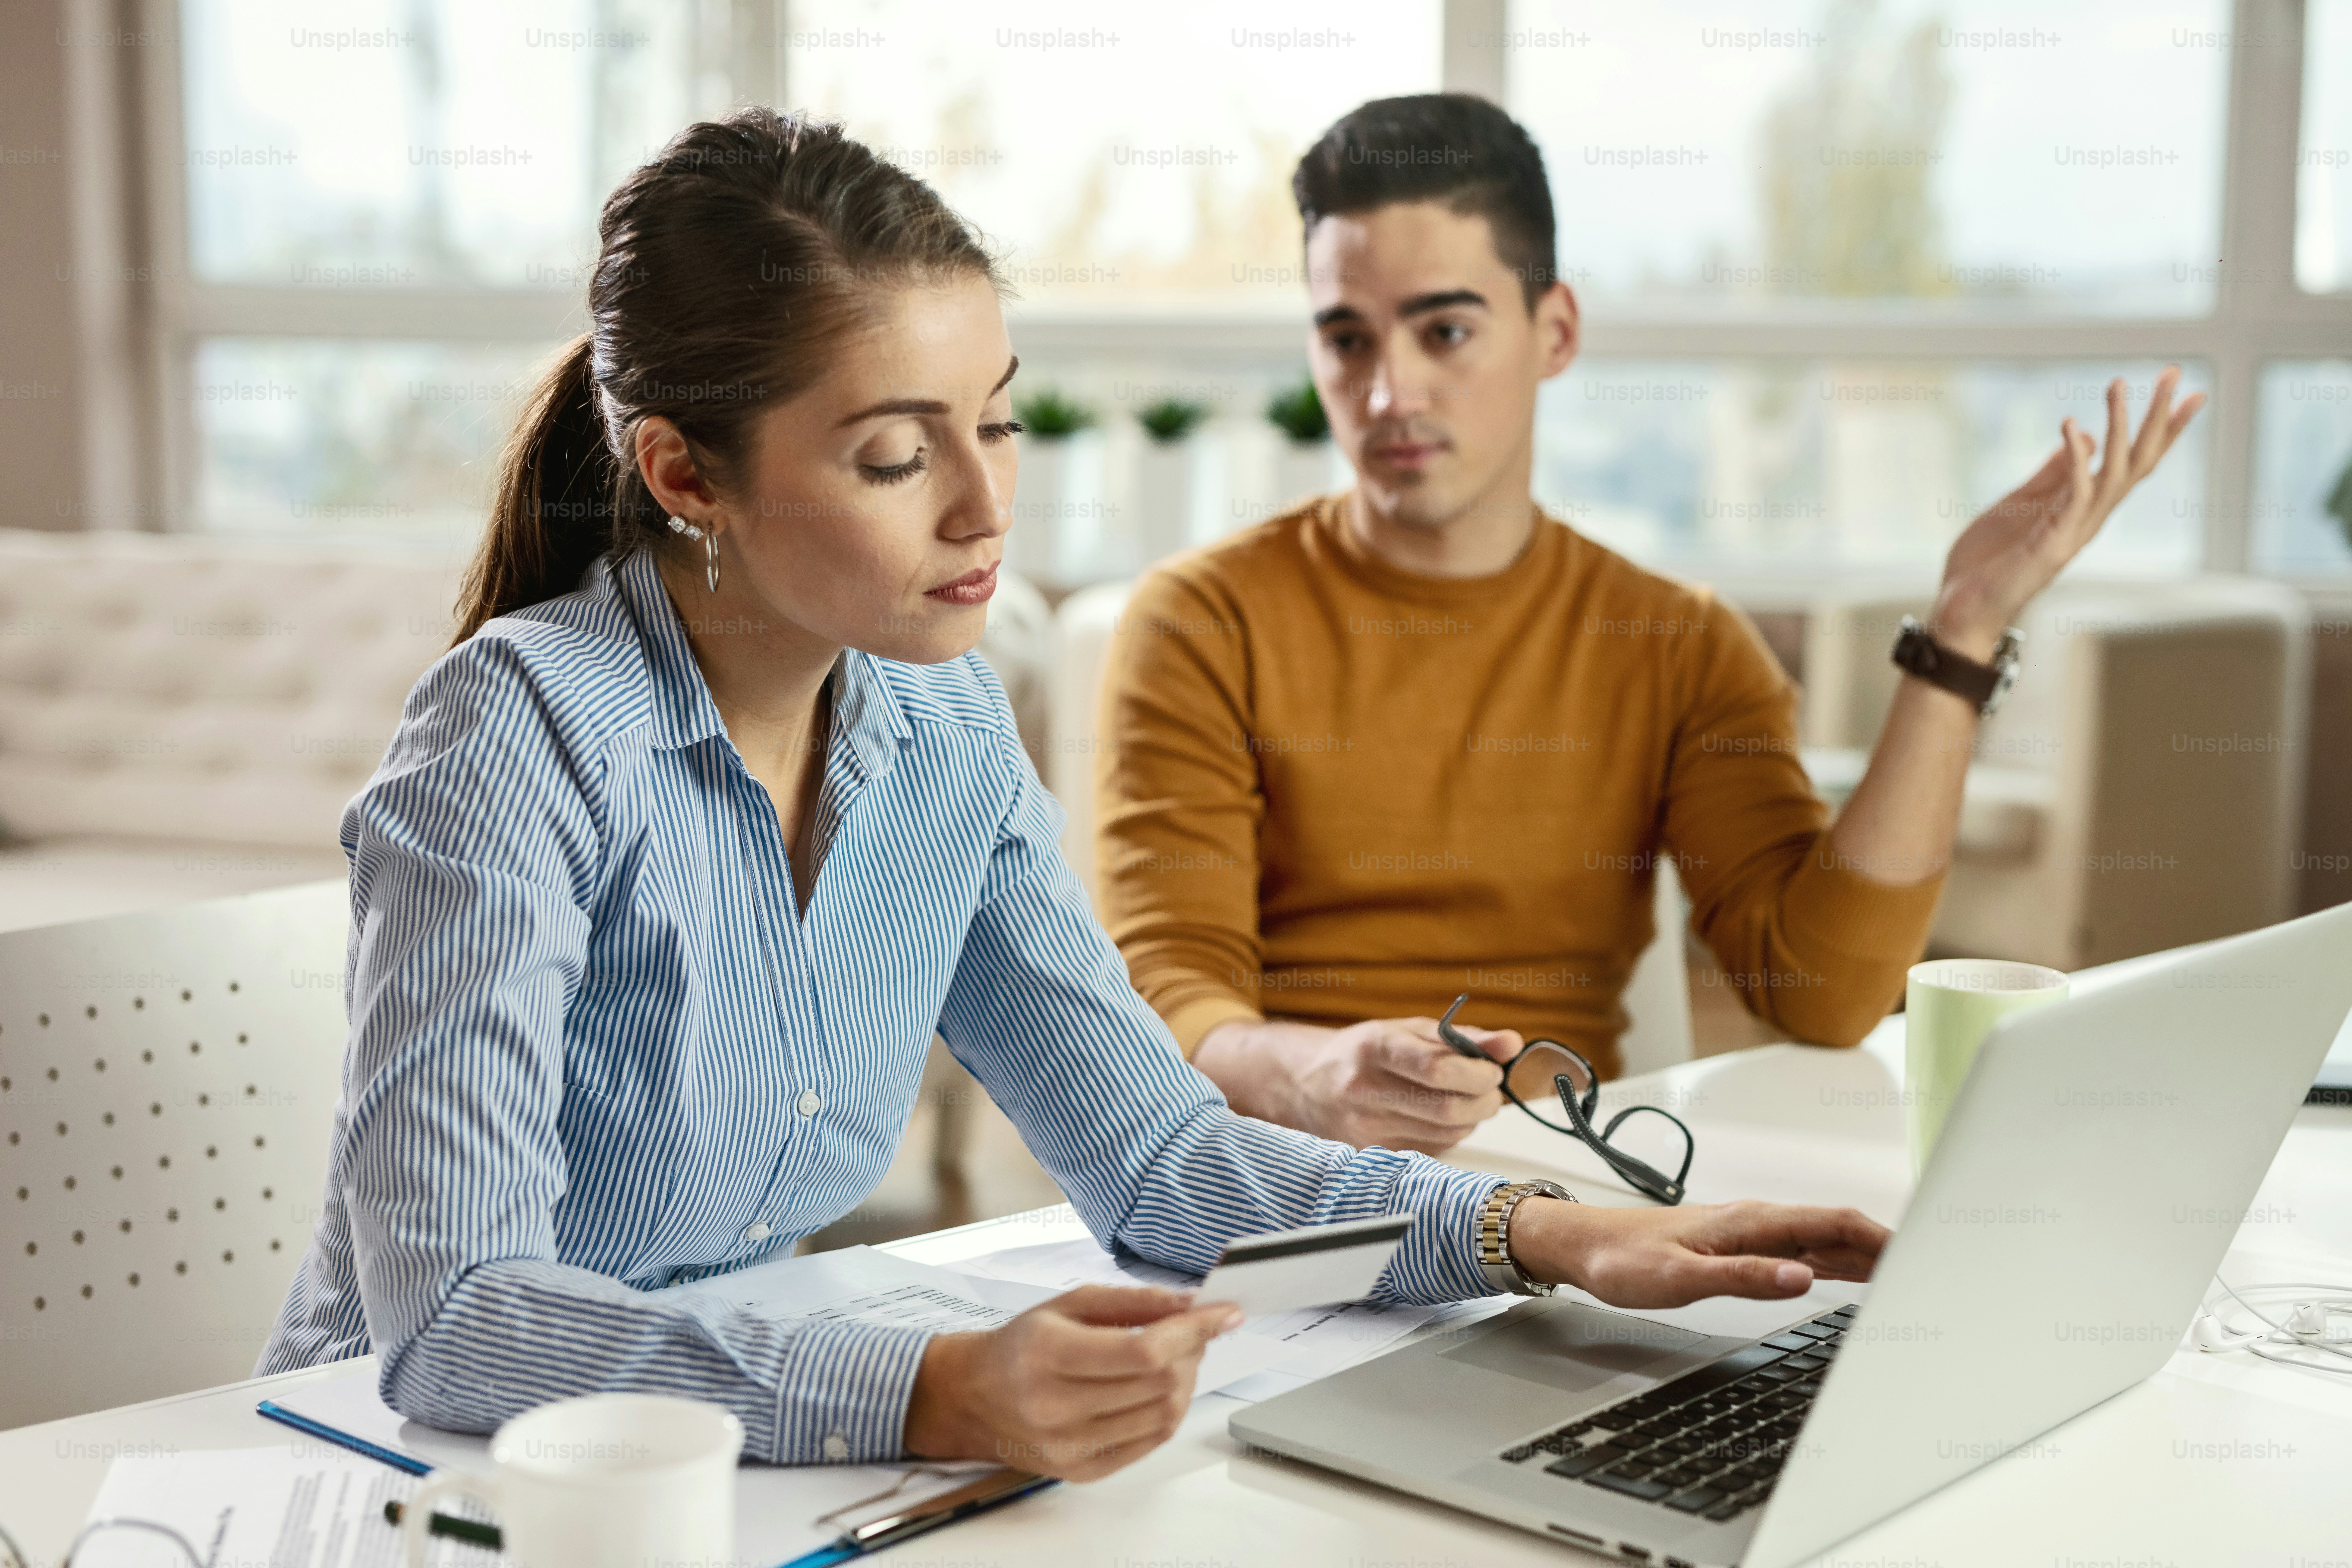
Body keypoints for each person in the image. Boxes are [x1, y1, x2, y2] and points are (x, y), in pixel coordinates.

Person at [255, 108, 1889, 1483]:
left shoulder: (942, 724)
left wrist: (1547, 1232)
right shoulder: (514, 740)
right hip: (419, 1472)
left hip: (726, 1475)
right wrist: (930, 1391)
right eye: (897, 458)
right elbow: (456, 1316)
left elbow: (1164, 1166)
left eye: (1001, 421)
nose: (985, 506)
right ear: (688, 475)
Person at [1095, 94, 2202, 1156]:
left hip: (1564, 1199)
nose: (1389, 392)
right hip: (1282, 1186)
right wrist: (1316, 1077)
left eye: (1443, 330)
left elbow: (1819, 992)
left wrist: (1959, 636)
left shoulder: (1673, 643)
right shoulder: (1199, 620)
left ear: (1554, 330)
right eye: (1346, 340)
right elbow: (1172, 999)